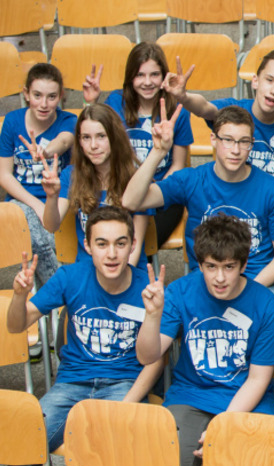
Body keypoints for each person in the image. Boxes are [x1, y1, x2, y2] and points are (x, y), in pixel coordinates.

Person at [6, 206, 163, 466]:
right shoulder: (71, 276)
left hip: (123, 383)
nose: (112, 254)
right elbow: (16, 325)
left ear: (132, 245)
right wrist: (18, 297)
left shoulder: (149, 287)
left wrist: (128, 403)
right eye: (102, 244)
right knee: (19, 443)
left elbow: (156, 358)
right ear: (88, 246)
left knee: (146, 448)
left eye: (120, 243)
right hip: (72, 384)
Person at [138, 214, 274, 466]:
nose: (220, 278)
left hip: (246, 401)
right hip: (191, 396)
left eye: (229, 267)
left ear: (243, 265)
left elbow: (258, 379)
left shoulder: (266, 304)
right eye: (211, 267)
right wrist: (152, 317)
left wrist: (223, 426)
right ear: (200, 263)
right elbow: (147, 356)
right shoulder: (180, 292)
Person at [122, 105, 274, 317]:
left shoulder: (271, 189)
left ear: (252, 145)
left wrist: (245, 291)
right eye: (228, 140)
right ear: (213, 140)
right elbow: (131, 201)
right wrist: (158, 152)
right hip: (204, 281)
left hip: (257, 282)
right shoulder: (192, 179)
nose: (235, 150)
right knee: (154, 318)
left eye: (243, 142)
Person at [82, 42, 194, 246]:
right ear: (130, 77)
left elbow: (179, 164)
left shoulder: (178, 108)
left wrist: (154, 190)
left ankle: (137, 271)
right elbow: (91, 136)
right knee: (112, 236)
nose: (147, 82)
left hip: (161, 193)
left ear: (163, 76)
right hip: (121, 189)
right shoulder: (116, 102)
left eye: (154, 74)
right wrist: (91, 103)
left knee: (138, 242)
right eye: (140, 75)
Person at [162, 49, 274, 189]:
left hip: (269, 205)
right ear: (255, 81)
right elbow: (205, 108)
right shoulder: (234, 109)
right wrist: (184, 97)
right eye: (269, 80)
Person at [39, 104, 150, 267]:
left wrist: (116, 281)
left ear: (114, 137)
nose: (93, 145)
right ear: (79, 142)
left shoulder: (136, 179)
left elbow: (136, 245)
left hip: (127, 270)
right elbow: (51, 225)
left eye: (101, 136)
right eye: (86, 137)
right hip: (88, 271)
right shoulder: (71, 174)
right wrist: (51, 196)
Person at [0, 63, 77, 285]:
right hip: (22, 201)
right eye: (37, 95)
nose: (44, 104)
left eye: (51, 97)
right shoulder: (13, 122)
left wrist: (44, 151)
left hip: (61, 201)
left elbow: (64, 140)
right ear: (26, 94)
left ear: (61, 97)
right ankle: (60, 290)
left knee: (39, 234)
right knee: (32, 226)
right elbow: (5, 176)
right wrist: (36, 205)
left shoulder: (68, 121)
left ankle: (56, 294)